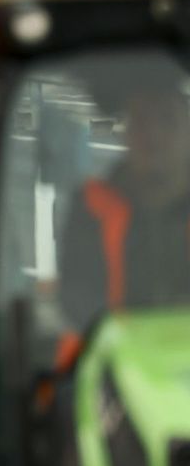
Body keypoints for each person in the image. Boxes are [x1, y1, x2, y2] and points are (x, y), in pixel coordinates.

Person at [59, 84, 190, 336]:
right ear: (126, 134)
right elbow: (76, 300)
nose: (154, 135)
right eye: (141, 121)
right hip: (110, 364)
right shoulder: (92, 206)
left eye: (168, 120)